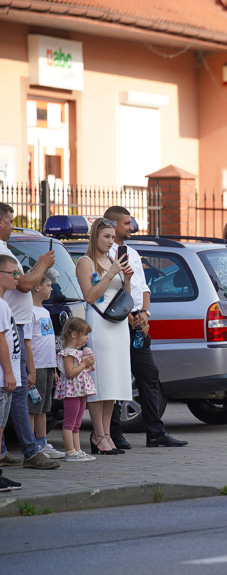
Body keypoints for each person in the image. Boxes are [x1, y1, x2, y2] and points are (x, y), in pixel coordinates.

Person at [104, 206, 187, 449]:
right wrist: (128, 314)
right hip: (117, 323)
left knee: (148, 375)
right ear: (113, 225)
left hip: (138, 324)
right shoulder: (104, 253)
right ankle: (113, 433)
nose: (132, 227)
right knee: (117, 378)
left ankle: (156, 432)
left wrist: (145, 314)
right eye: (126, 223)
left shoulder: (132, 251)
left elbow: (144, 288)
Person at [0, 202, 58, 470]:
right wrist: (41, 264)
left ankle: (4, 451)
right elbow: (23, 285)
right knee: (18, 391)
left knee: (11, 393)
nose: (13, 225)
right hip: (13, 328)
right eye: (10, 220)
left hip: (15, 327)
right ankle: (30, 451)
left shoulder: (5, 249)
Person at [75, 217, 134, 455]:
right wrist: (110, 273)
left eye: (112, 237)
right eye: (106, 237)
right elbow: (90, 296)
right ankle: (98, 434)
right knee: (99, 381)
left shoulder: (112, 260)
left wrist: (127, 279)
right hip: (99, 323)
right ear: (95, 236)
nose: (110, 242)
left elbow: (123, 297)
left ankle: (107, 433)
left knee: (113, 382)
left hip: (118, 325)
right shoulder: (85, 262)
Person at [28, 272, 63, 459]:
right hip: (37, 366)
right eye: (48, 285)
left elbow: (49, 342)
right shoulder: (30, 312)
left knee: (43, 407)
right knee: (33, 407)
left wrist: (55, 369)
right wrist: (31, 369)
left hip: (48, 366)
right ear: (37, 287)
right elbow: (29, 343)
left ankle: (42, 442)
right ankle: (31, 444)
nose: (51, 289)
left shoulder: (45, 311)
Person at [0, 254, 27, 489]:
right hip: (2, 377)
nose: (18, 277)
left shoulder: (5, 304)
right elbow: (1, 341)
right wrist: (9, 372)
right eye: (13, 273)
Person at [55, 317, 97, 461]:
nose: (87, 338)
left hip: (80, 391)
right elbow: (70, 372)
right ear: (74, 334)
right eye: (85, 334)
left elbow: (81, 370)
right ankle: (70, 451)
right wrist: (84, 364)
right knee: (69, 422)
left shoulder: (79, 352)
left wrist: (88, 364)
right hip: (72, 392)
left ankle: (77, 450)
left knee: (77, 423)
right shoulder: (68, 353)